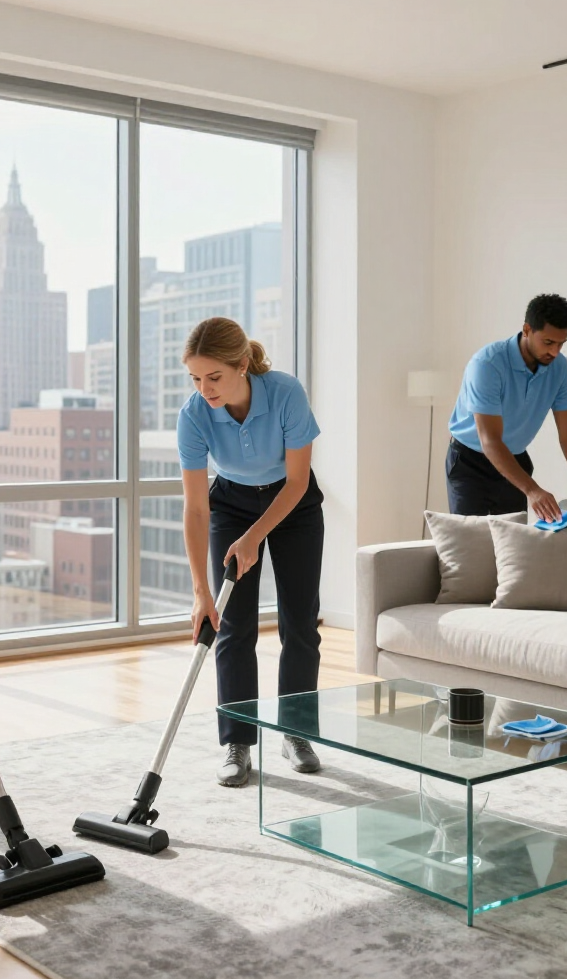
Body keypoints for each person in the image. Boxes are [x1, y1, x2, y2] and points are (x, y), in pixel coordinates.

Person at [177, 317, 324, 787]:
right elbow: (197, 508)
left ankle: (295, 732)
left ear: (242, 366)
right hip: (232, 505)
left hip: (293, 504)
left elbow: (298, 481)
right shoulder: (194, 416)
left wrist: (255, 536)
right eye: (196, 379)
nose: (205, 389)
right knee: (232, 627)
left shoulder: (284, 393)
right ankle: (237, 742)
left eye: (214, 377)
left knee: (299, 623)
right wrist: (201, 591)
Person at [446, 293, 567, 520]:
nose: (555, 352)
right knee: (469, 545)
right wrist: (533, 490)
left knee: (513, 546)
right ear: (527, 330)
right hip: (470, 462)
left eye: (561, 344)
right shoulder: (487, 365)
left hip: (515, 460)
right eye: (548, 342)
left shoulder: (560, 369)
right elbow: (490, 440)